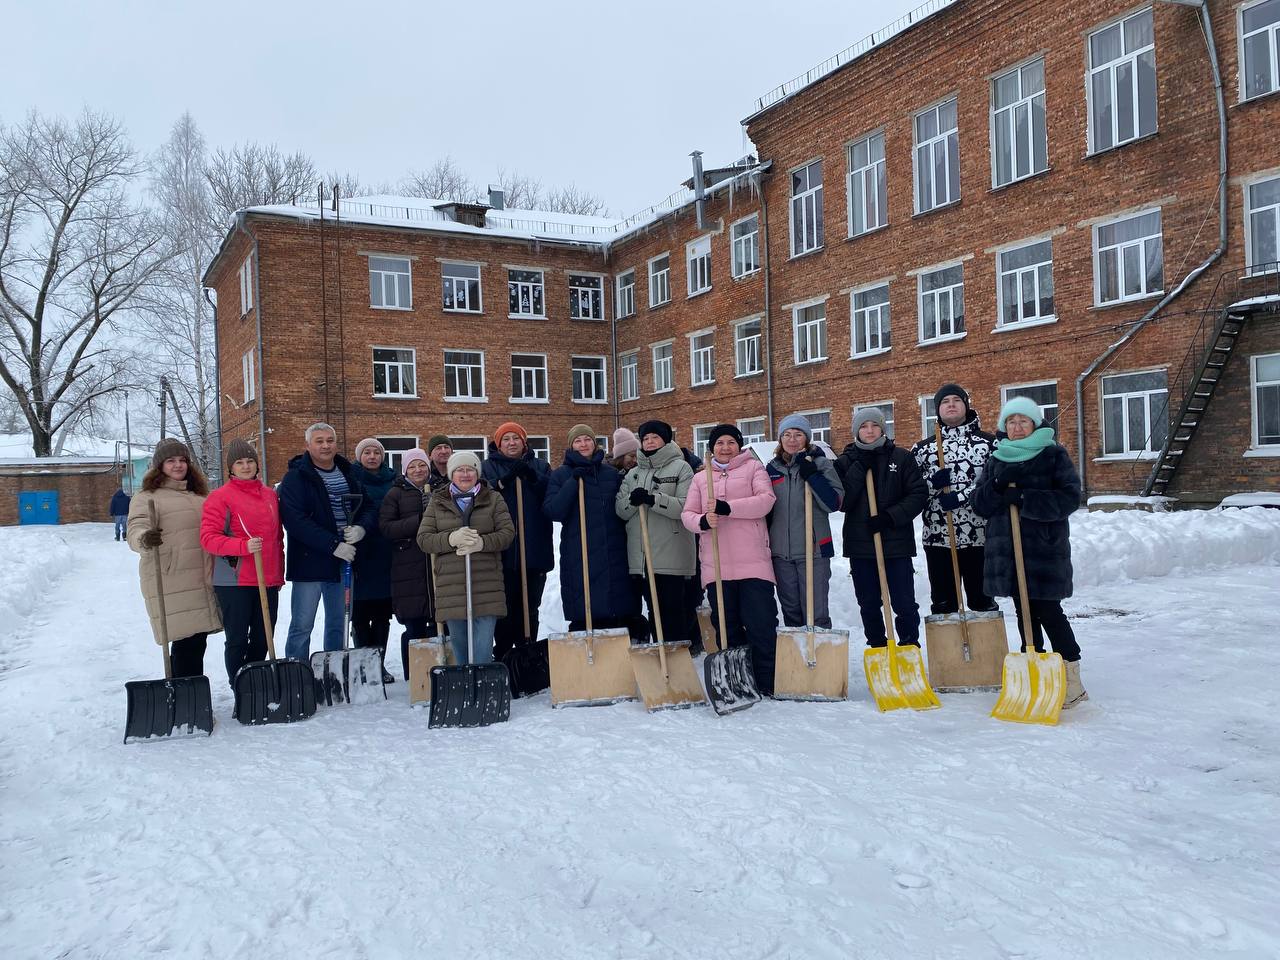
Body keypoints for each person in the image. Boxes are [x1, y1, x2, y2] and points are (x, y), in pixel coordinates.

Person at [972, 397, 1088, 707]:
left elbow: (1069, 498)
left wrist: (1024, 496)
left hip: (1043, 550)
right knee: (1024, 612)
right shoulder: (997, 458)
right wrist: (996, 486)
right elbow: (979, 505)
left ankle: (1072, 677)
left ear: (1035, 424)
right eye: (1011, 421)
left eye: (1024, 421)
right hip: (1007, 553)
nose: (1017, 426)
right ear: (1003, 427)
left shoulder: (1052, 455)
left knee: (1048, 609)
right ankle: (1034, 669)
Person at [681, 424, 778, 693]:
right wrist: (702, 520)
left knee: (761, 623)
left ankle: (766, 680)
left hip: (753, 562)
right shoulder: (701, 478)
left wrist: (728, 508)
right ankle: (738, 682)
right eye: (719, 443)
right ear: (711, 448)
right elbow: (687, 514)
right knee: (727, 626)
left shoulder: (754, 469)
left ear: (739, 445)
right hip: (717, 565)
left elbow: (766, 500)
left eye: (731, 442)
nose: (725, 448)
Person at [277, 422, 375, 661]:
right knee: (302, 625)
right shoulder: (296, 478)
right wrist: (333, 545)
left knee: (338, 623)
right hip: (310, 564)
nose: (325, 445)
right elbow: (296, 521)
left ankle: (331, 672)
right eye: (319, 441)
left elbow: (369, 506)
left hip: (342, 563)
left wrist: (361, 528)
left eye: (330, 440)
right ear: (307, 445)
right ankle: (297, 673)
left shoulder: (348, 474)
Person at [126, 438, 221, 677]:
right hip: (172, 578)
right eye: (171, 461)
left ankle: (188, 697)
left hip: (202, 576)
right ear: (159, 466)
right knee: (186, 641)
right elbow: (136, 527)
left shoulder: (199, 496)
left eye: (182, 460)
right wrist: (144, 538)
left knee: (196, 641)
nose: (178, 465)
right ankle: (186, 700)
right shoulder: (148, 496)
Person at [836, 407, 928, 649]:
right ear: (856, 431)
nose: (869, 430)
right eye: (863, 427)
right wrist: (859, 468)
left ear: (882, 428)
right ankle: (878, 646)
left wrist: (890, 517)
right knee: (868, 602)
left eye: (874, 426)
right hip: (861, 545)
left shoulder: (901, 457)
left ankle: (909, 645)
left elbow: (918, 494)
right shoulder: (846, 462)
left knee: (904, 602)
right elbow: (842, 502)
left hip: (897, 543)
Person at [199, 439, 285, 687]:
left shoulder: (270, 495)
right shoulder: (220, 497)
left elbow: (277, 538)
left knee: (262, 637)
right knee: (237, 638)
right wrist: (242, 546)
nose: (246, 466)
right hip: (234, 580)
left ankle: (255, 680)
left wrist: (278, 573)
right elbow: (208, 538)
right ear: (230, 469)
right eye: (239, 462)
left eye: (250, 461)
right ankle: (240, 685)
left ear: (257, 465)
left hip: (266, 578)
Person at [416, 451, 515, 664]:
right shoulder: (438, 501)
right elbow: (424, 539)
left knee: (482, 652)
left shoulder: (493, 498)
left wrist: (482, 543)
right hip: (452, 587)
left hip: (486, 585)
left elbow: (507, 534)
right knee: (460, 651)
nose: (465, 474)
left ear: (477, 473)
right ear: (452, 474)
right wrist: (451, 538)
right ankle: (465, 688)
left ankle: (483, 686)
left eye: (470, 469)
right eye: (459, 470)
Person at [911, 384, 999, 614]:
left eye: (956, 400)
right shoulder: (923, 449)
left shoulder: (989, 444)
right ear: (938, 409)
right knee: (943, 604)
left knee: (982, 602)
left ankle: (985, 649)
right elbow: (912, 491)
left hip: (979, 537)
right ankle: (948, 650)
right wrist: (932, 484)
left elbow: (995, 484)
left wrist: (962, 496)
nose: (951, 404)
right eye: (944, 401)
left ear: (966, 406)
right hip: (939, 538)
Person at [544, 424, 637, 633]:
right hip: (579, 552)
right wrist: (573, 481)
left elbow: (623, 509)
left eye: (587, 439)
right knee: (584, 605)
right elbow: (553, 511)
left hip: (613, 550)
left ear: (595, 443)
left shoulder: (611, 474)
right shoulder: (560, 475)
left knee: (616, 608)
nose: (583, 444)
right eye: (578, 441)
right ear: (571, 446)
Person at [616, 421, 695, 645]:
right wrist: (633, 501)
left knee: (672, 612)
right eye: (645, 438)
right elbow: (620, 510)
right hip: (642, 557)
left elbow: (685, 507)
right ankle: (660, 663)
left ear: (666, 440)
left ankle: (677, 659)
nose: (649, 442)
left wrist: (653, 499)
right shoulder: (632, 474)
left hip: (671, 554)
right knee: (653, 612)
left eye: (655, 437)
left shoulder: (681, 468)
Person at [482, 421, 554, 661]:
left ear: (524, 442)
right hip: (502, 552)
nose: (511, 443)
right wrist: (504, 481)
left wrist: (534, 478)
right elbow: (480, 494)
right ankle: (503, 652)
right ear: (498, 443)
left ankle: (527, 651)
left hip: (534, 548)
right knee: (504, 607)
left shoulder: (541, 466)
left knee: (529, 606)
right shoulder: (487, 468)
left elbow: (552, 497)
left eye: (516, 438)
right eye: (506, 439)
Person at [766, 413, 844, 629]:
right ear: (780, 439)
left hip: (814, 550)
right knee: (791, 613)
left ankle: (822, 658)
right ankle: (798, 660)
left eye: (798, 434)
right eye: (787, 435)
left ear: (806, 438)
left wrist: (813, 476)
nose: (792, 439)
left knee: (817, 613)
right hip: (781, 552)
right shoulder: (771, 469)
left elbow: (834, 502)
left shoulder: (820, 463)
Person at [379, 448, 438, 680]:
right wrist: (419, 519)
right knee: (414, 625)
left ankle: (438, 671)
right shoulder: (395, 494)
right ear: (404, 470)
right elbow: (386, 528)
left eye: (421, 465)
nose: (418, 470)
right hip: (408, 567)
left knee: (438, 623)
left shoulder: (439, 490)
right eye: (412, 466)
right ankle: (416, 677)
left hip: (435, 566)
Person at [349, 438, 397, 683]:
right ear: (359, 456)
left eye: (376, 452)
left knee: (381, 614)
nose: (371, 456)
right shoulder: (351, 478)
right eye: (366, 452)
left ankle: (378, 664)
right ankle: (362, 665)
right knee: (359, 613)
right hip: (359, 552)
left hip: (385, 552)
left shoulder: (393, 479)